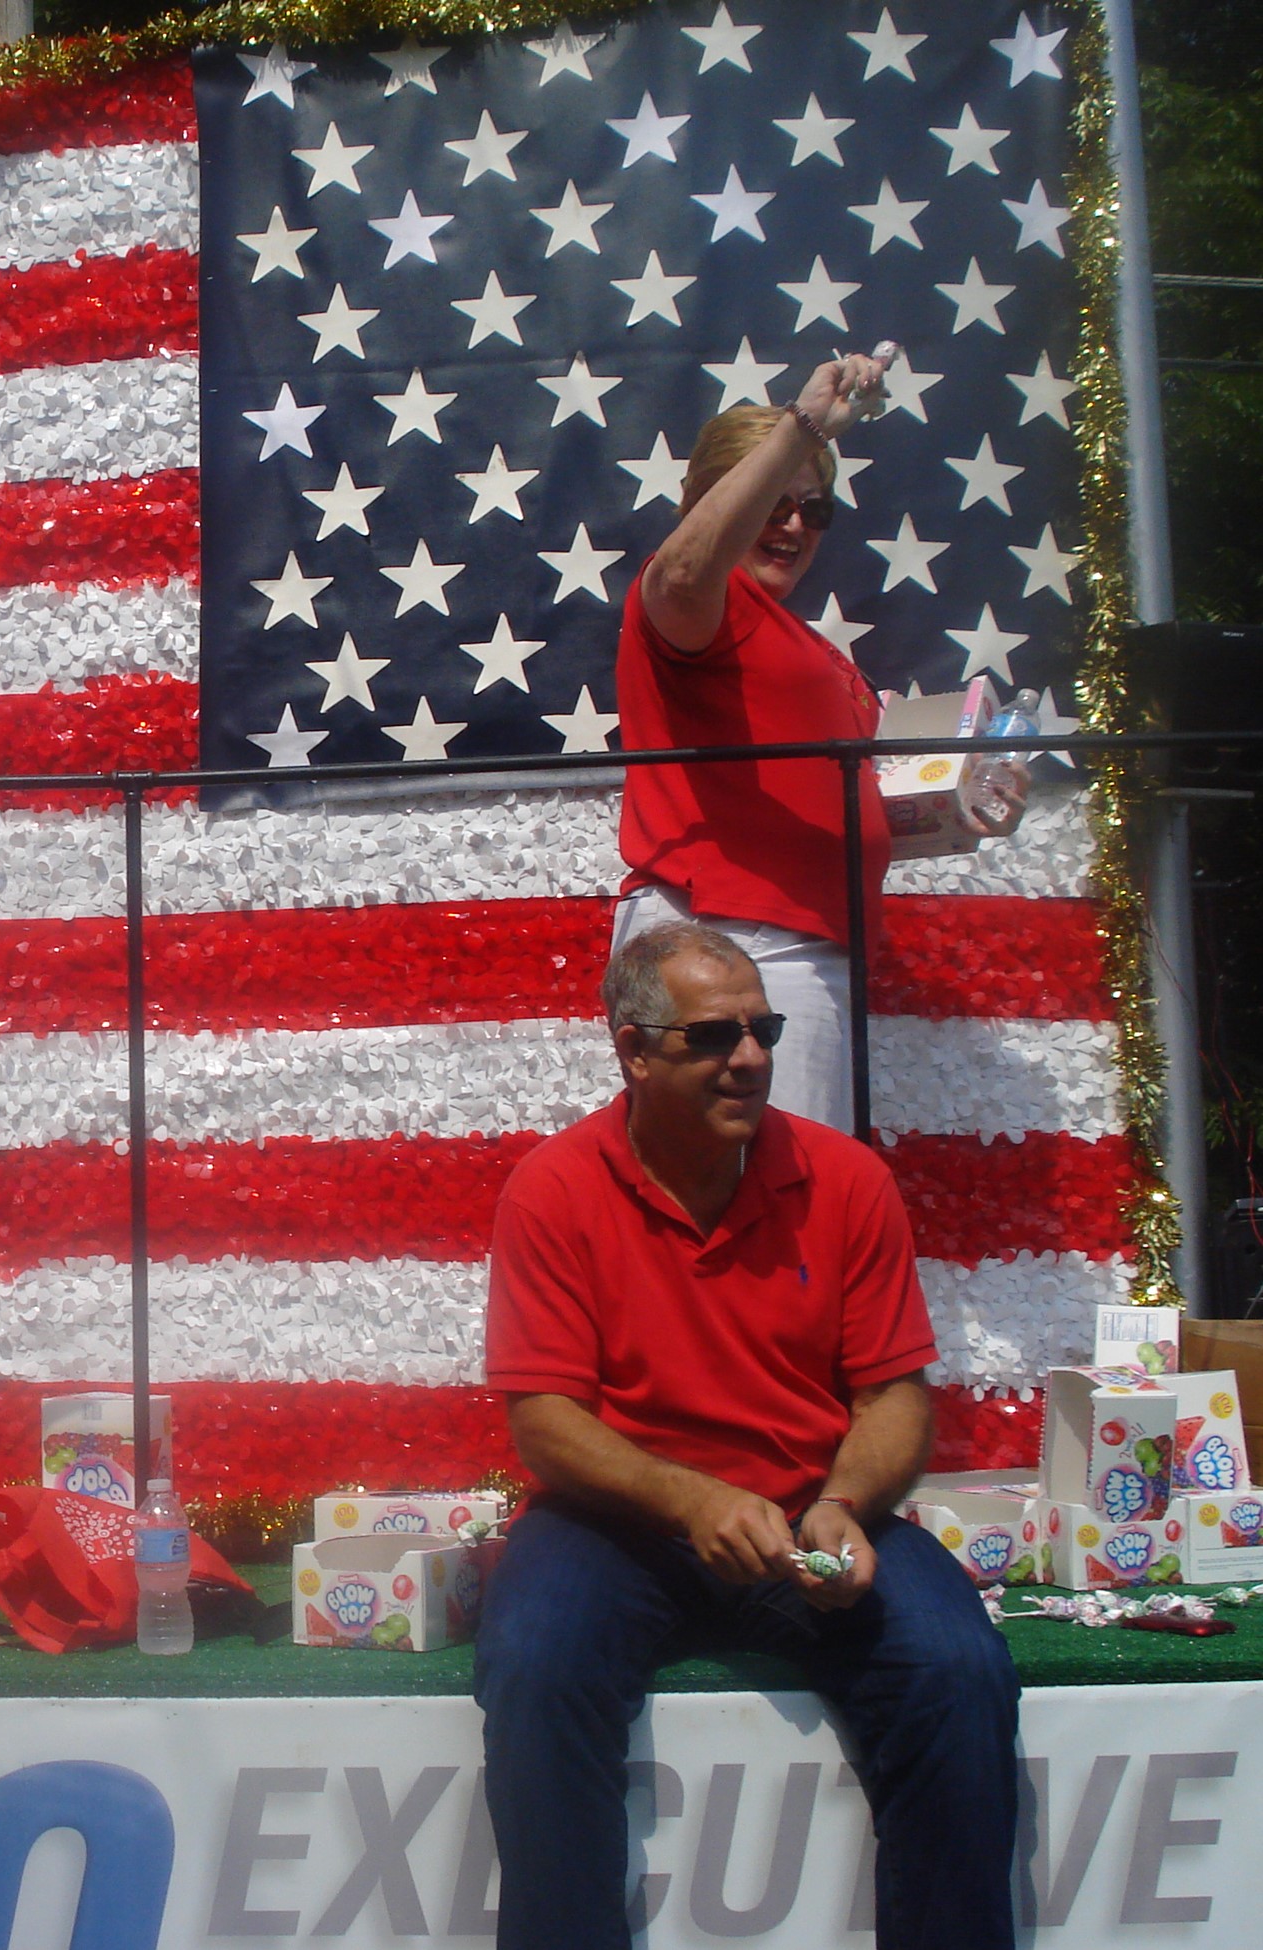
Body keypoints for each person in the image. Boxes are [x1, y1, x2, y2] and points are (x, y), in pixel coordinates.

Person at [474, 922, 1018, 1950]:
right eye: (712, 1036)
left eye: (760, 1028)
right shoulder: (552, 1188)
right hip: (615, 1527)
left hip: (811, 1508)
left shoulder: (845, 1179)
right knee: (534, 1665)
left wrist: (844, 1506)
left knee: (958, 1671)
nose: (751, 1057)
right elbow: (544, 1425)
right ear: (631, 1051)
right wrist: (690, 1500)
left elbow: (894, 1398)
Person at [614, 355, 1022, 1130]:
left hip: (804, 945)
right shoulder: (700, 602)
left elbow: (851, 815)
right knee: (762, 1204)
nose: (795, 523)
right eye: (773, 500)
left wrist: (963, 808)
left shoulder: (813, 651)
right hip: (731, 939)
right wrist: (803, 425)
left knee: (798, 1200)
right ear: (708, 501)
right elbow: (684, 568)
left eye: (816, 509)